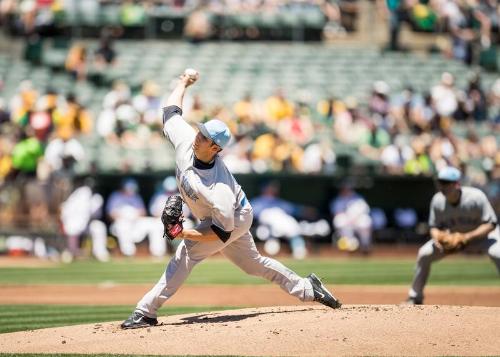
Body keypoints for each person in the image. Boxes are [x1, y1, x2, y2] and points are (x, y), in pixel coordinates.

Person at [121, 70, 341, 329]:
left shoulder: (218, 189)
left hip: (233, 219)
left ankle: (145, 311)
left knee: (185, 255)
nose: (198, 136)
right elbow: (170, 111)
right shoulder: (187, 140)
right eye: (200, 131)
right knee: (253, 265)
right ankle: (306, 287)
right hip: (221, 217)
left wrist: (183, 234)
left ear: (215, 148)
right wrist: (183, 83)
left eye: (204, 137)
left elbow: (220, 233)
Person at [405, 166, 500, 305]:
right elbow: (433, 227)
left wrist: (467, 237)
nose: (442, 186)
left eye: (446, 182)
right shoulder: (437, 200)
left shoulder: (476, 196)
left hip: (482, 238)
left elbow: (491, 224)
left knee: (498, 253)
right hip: (452, 239)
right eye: (440, 182)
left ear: (457, 184)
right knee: (424, 254)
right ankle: (415, 297)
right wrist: (438, 238)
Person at [106, 178, 165, 258]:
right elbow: (110, 214)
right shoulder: (115, 196)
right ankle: (128, 253)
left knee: (155, 224)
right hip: (120, 223)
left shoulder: (136, 197)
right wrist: (125, 217)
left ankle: (158, 253)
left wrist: (135, 216)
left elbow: (143, 212)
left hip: (136, 222)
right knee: (122, 225)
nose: (130, 191)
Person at [60, 179, 110, 262]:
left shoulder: (96, 198)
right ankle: (70, 252)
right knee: (73, 229)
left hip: (87, 225)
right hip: (73, 225)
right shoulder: (80, 194)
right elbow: (66, 212)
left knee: (98, 227)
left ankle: (100, 253)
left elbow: (95, 214)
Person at [330, 183, 373, 254]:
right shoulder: (338, 200)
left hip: (357, 220)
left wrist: (354, 219)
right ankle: (348, 245)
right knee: (339, 220)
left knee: (366, 220)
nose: (346, 190)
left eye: (348, 189)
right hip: (346, 221)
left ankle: (365, 246)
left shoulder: (358, 198)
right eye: (344, 189)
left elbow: (365, 211)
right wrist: (349, 219)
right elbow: (336, 213)